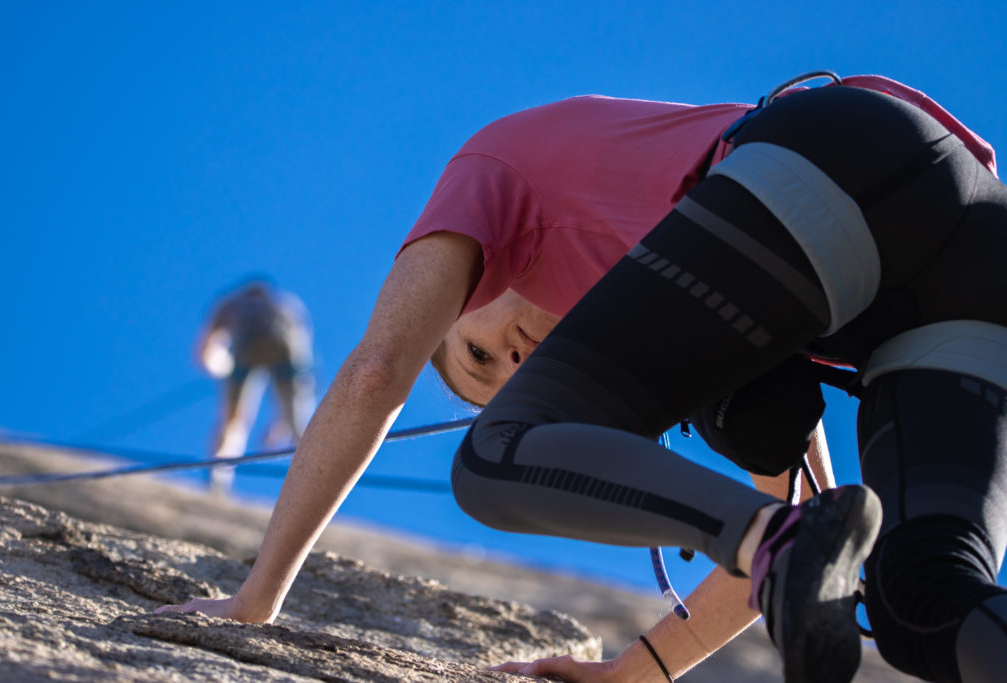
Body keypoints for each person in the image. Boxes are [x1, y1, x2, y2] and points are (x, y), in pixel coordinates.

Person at [159, 73, 1007, 683]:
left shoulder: (490, 174)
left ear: (467, 297)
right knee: (921, 601)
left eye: (477, 353)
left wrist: (256, 596)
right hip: (969, 252)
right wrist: (640, 671)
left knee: (502, 453)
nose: (515, 363)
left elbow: (378, 369)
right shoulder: (693, 310)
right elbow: (803, 523)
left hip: (843, 160)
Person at [195, 278, 316, 492]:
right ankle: (314, 476)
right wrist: (281, 424)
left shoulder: (232, 303)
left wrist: (221, 365)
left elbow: (207, 349)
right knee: (292, 421)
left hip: (259, 352)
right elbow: (302, 356)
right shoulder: (284, 303)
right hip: (278, 353)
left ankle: (218, 476)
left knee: (235, 420)